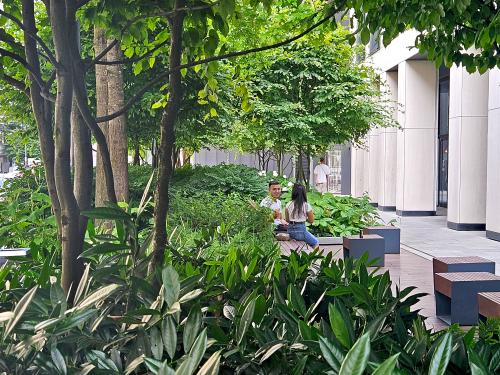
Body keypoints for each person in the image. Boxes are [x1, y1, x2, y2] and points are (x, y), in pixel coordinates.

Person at [285, 183, 319, 249]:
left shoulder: (288, 204)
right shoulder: (306, 205)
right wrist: (304, 218)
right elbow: (311, 221)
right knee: (315, 242)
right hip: (301, 231)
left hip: (290, 231)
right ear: (304, 193)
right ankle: (316, 259)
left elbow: (287, 220)